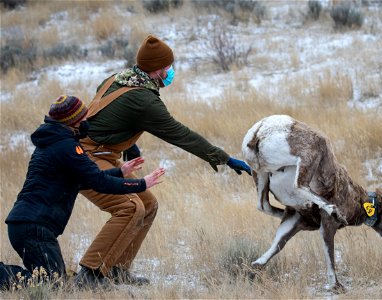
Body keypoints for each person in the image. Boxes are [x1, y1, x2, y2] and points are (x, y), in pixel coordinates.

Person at [75, 34, 252, 285]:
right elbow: (179, 134)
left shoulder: (118, 78)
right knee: (129, 207)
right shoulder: (144, 100)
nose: (171, 71)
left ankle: (117, 271)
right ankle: (91, 274)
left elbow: (107, 116)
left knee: (147, 204)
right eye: (167, 67)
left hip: (104, 154)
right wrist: (223, 158)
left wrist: (129, 144)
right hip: (88, 157)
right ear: (156, 70)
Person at [4, 95, 165, 289]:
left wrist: (120, 171)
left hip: (29, 226)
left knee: (56, 283)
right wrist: (141, 184)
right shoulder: (66, 147)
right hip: (33, 228)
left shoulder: (54, 144)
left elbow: (83, 179)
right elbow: (98, 182)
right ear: (72, 122)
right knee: (53, 286)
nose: (86, 122)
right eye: (83, 119)